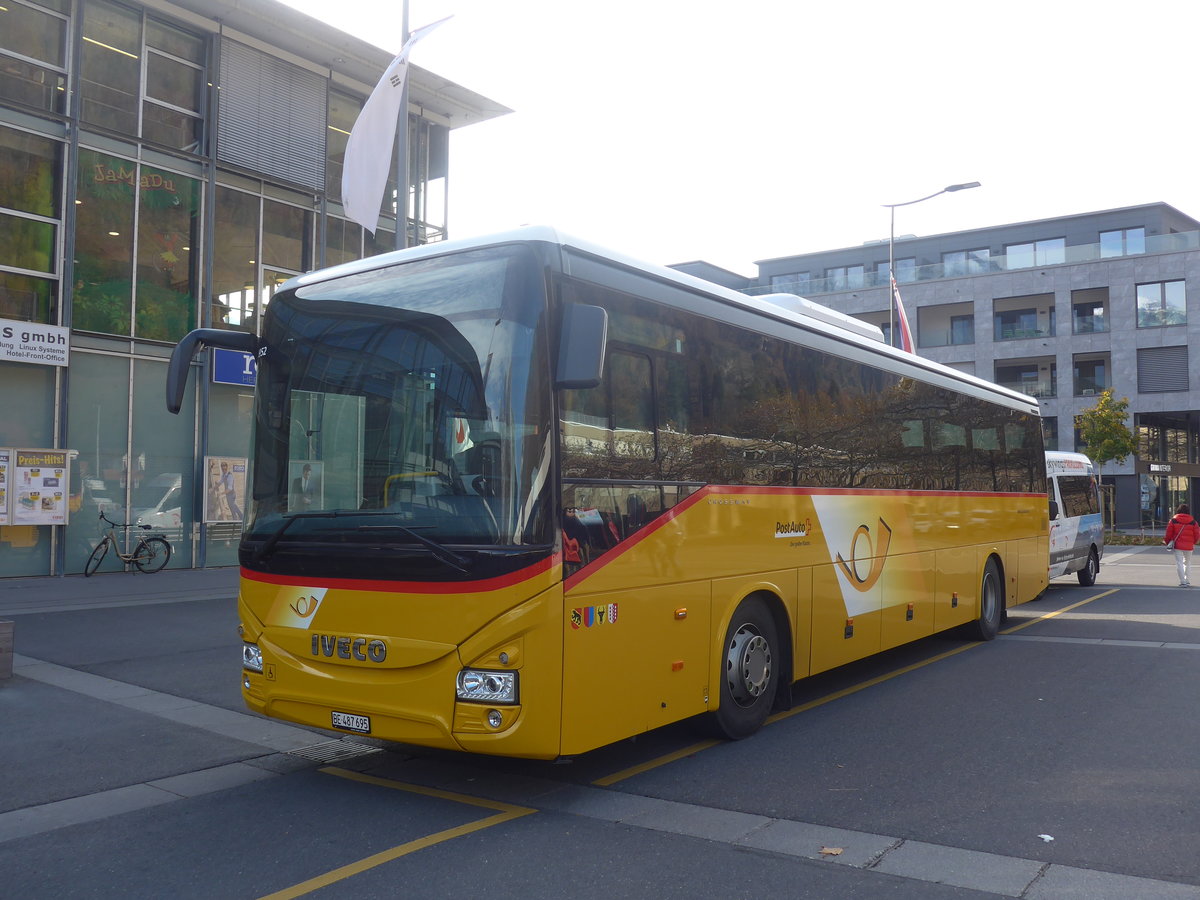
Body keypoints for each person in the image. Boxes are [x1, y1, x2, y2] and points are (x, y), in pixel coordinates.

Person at [1163, 503, 1200, 587]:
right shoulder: (1193, 522)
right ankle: (1187, 580)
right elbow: (1197, 534)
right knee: (1187, 562)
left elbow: (1168, 533)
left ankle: (1182, 581)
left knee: (1179, 563)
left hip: (1177, 545)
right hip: (1189, 545)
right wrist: (1193, 542)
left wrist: (1167, 541)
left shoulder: (1173, 520)